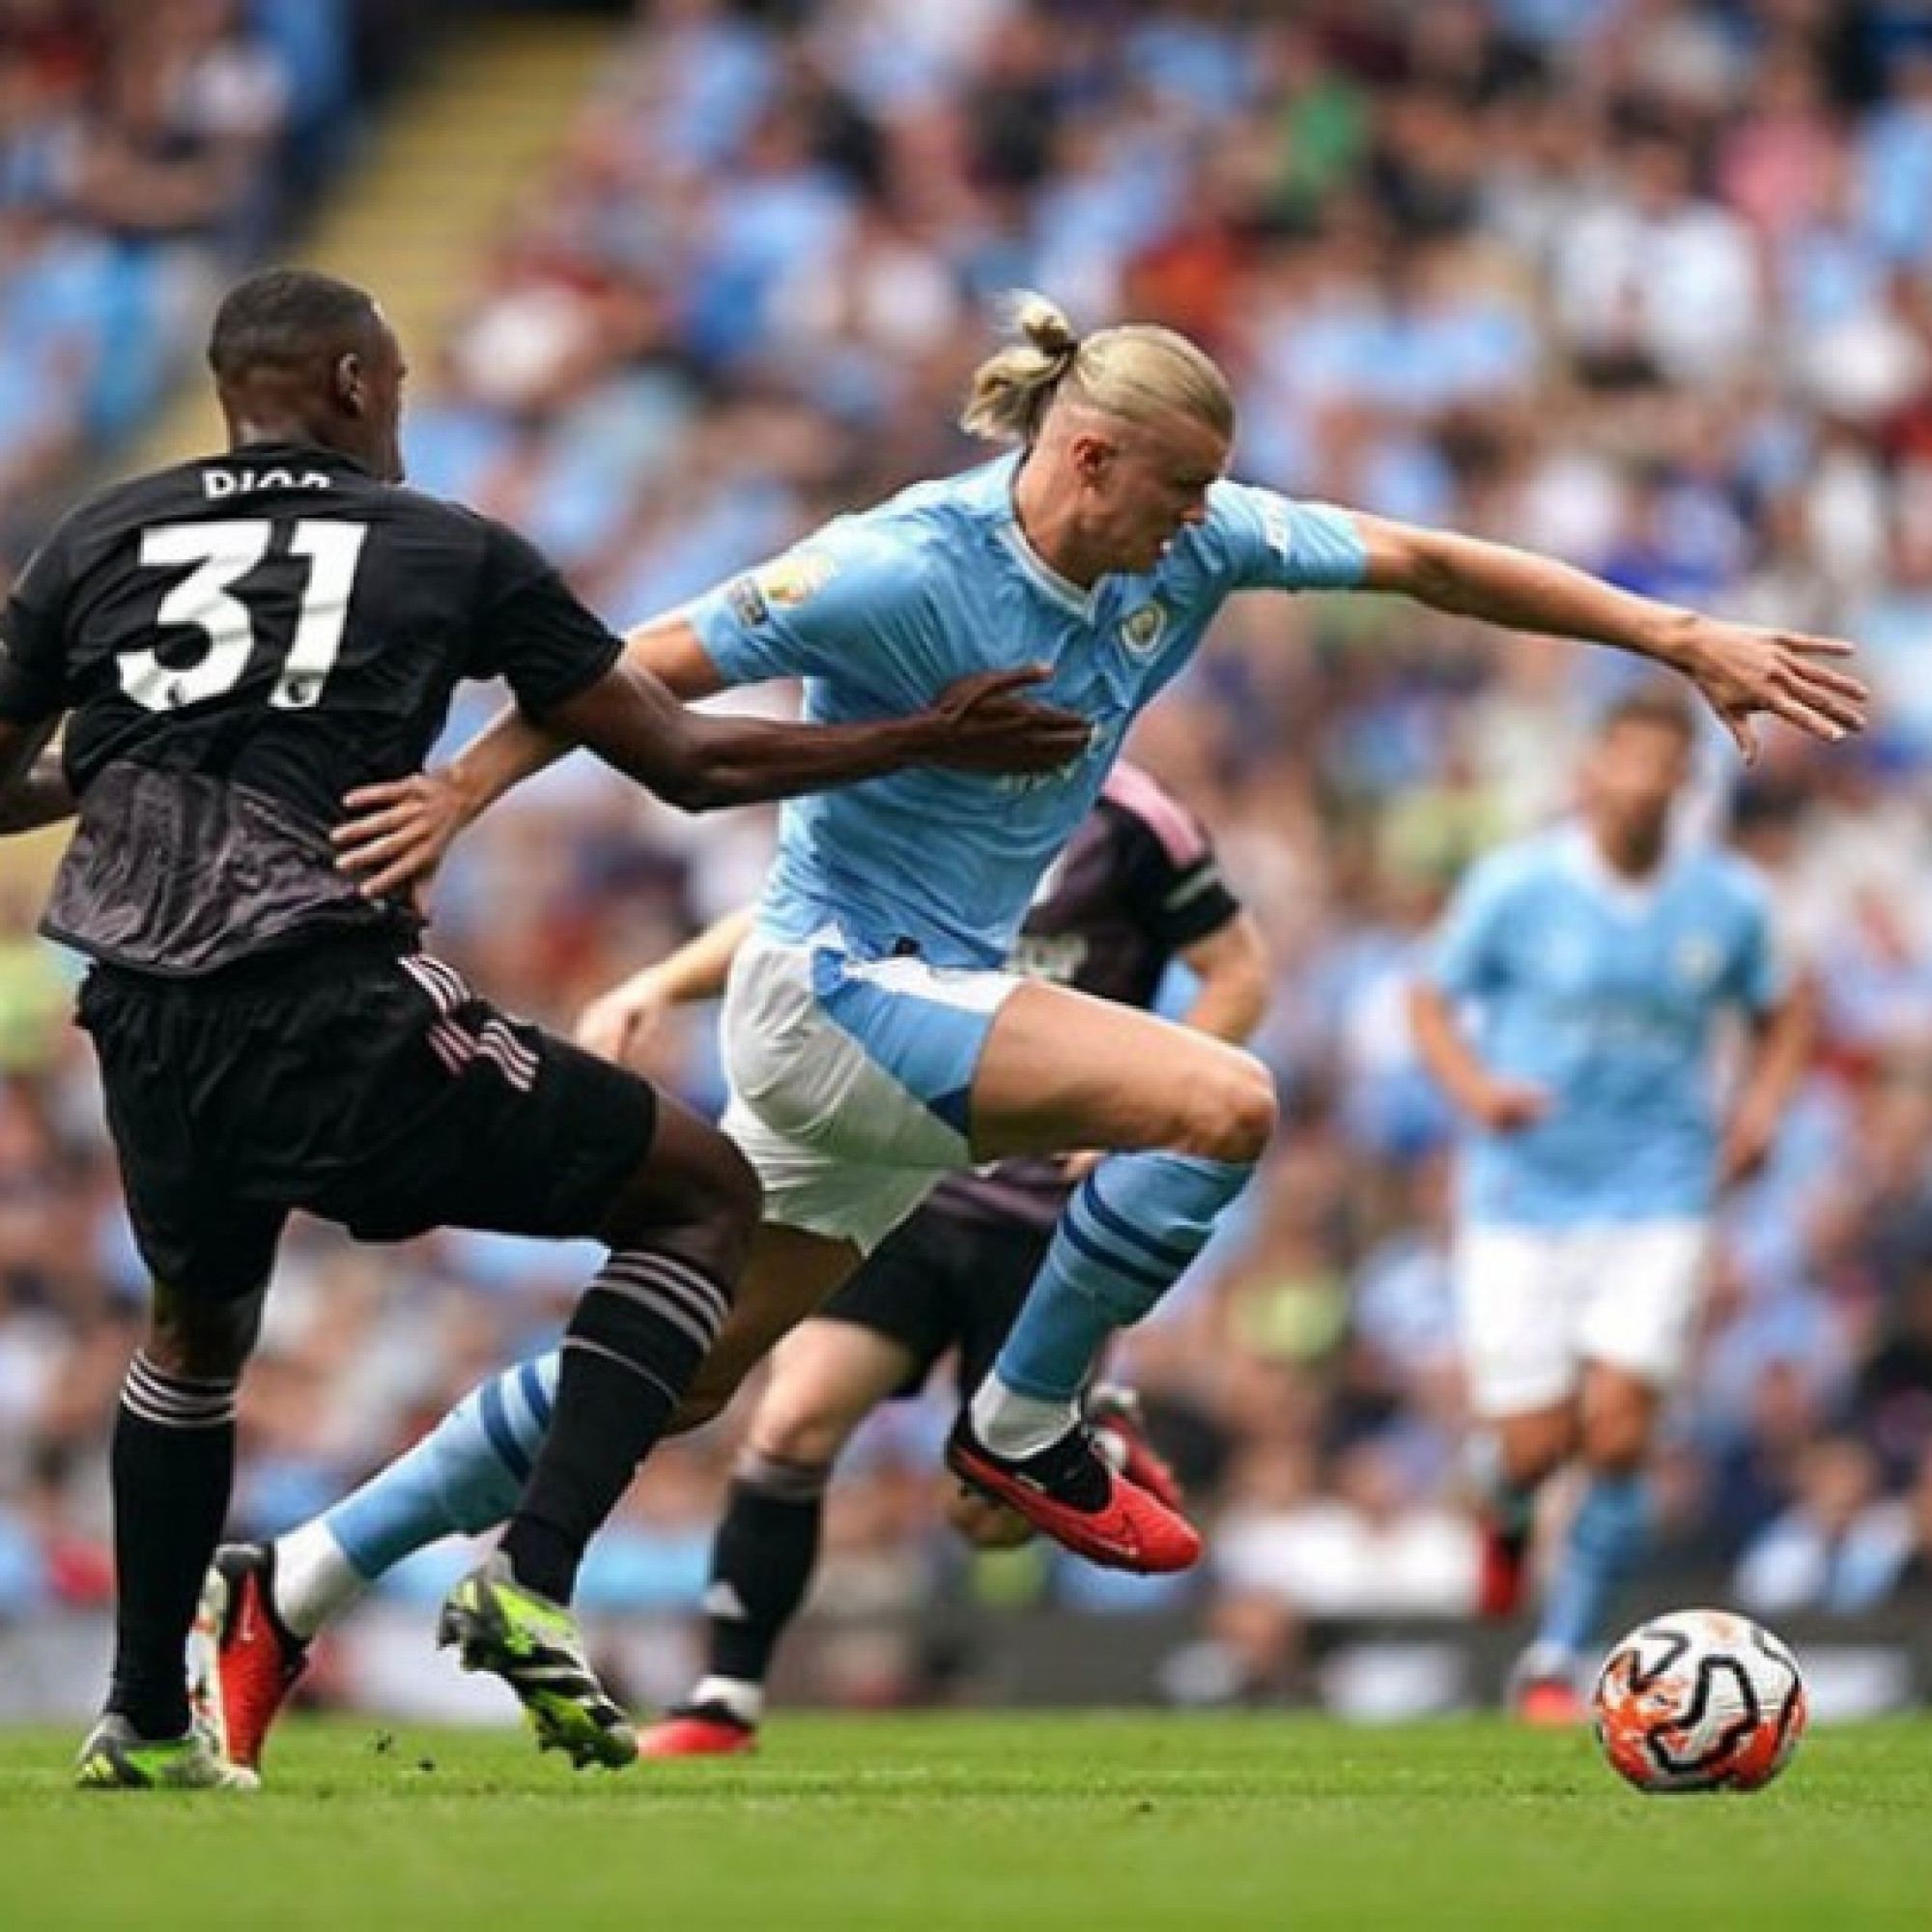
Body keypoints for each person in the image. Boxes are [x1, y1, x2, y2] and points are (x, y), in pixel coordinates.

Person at [327, 292, 1864, 1588]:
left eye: (1212, 493)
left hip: (920, 1005)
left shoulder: (1191, 544)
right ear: (1087, 455)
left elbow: (1432, 564)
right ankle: (1025, 1425)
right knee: (1220, 1103)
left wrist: (1676, 635)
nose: (1202, 522)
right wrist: (461, 790)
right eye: (1180, 489)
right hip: (832, 990)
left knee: (682, 1374)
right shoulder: (899, 566)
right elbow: (622, 669)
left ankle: (301, 1576)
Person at [0, 267, 1090, 1790]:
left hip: (139, 1013)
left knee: (193, 1336)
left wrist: (138, 753)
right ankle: (533, 1570)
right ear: (354, 383)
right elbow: (688, 763)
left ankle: (143, 1721)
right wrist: (922, 737)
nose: (401, 404)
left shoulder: (99, 536)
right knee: (701, 1195)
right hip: (323, 997)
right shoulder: (447, 548)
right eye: (394, 379)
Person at [191, 763, 1265, 1772]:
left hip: (1027, 1197)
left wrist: (1140, 1109)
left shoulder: (1131, 815)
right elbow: (781, 875)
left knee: (972, 1510)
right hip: (886, 1132)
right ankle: (708, 1689)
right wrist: (655, 973)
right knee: (753, 1404)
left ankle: (319, 1576)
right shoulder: (923, 725)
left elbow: (1236, 970)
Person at [1406, 684, 1817, 1722]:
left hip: (1661, 1189)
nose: (1637, 783)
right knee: (1535, 1445)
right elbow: (1428, 996)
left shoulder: (1727, 901)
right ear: (1588, 770)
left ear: (1684, 781)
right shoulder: (1516, 884)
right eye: (1622, 759)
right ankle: (1505, 1507)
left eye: (1659, 765)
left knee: (1623, 1431)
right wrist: (1475, 1092)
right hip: (1522, 1191)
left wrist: (1761, 1110)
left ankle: (1559, 1655)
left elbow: (1783, 1010)